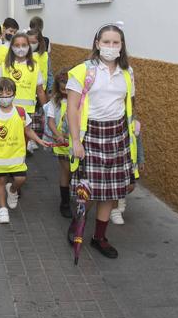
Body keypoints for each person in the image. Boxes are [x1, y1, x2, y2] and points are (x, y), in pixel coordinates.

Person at [66, 24, 139, 259]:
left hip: (117, 136)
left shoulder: (127, 73)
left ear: (121, 46)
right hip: (91, 135)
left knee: (109, 192)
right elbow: (72, 109)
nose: (110, 47)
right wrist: (76, 141)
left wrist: (134, 123)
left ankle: (99, 237)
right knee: (87, 191)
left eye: (115, 43)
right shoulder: (82, 72)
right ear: (97, 44)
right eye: (106, 42)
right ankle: (78, 224)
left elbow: (129, 103)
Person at [0, 77, 46, 225]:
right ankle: (2, 210)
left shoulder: (21, 112)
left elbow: (27, 130)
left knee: (20, 179)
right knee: (1, 180)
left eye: (8, 93)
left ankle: (13, 190)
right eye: (0, 94)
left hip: (16, 156)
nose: (4, 97)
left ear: (14, 94)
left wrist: (39, 140)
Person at [44, 68, 72, 218]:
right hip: (62, 143)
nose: (65, 85)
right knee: (65, 170)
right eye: (62, 81)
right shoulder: (55, 101)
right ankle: (65, 203)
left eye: (68, 82)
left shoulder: (81, 100)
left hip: (76, 142)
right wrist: (58, 135)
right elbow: (50, 121)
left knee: (75, 170)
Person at [0, 31, 47, 116]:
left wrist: (47, 111)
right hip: (7, 110)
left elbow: (40, 91)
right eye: (17, 45)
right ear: (12, 47)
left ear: (29, 47)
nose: (21, 48)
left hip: (27, 112)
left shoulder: (35, 67)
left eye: (24, 45)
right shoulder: (5, 66)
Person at [110, 118, 145, 224]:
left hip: (131, 163)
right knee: (116, 184)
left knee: (130, 186)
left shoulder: (135, 124)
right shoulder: (114, 123)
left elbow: (139, 144)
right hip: (117, 161)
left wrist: (141, 160)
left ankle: (121, 198)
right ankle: (114, 210)